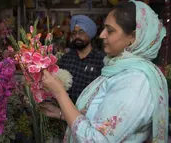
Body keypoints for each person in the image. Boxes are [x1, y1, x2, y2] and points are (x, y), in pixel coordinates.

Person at [40, 0, 168, 142]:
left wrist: (59, 92)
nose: (101, 35)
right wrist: (61, 114)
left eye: (110, 30)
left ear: (133, 37)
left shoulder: (136, 81)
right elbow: (96, 118)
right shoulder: (116, 69)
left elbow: (97, 140)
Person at [58, 15, 105, 104]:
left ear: (90, 34)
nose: (77, 36)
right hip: (65, 111)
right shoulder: (66, 58)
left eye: (81, 32)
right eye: (74, 33)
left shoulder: (101, 59)